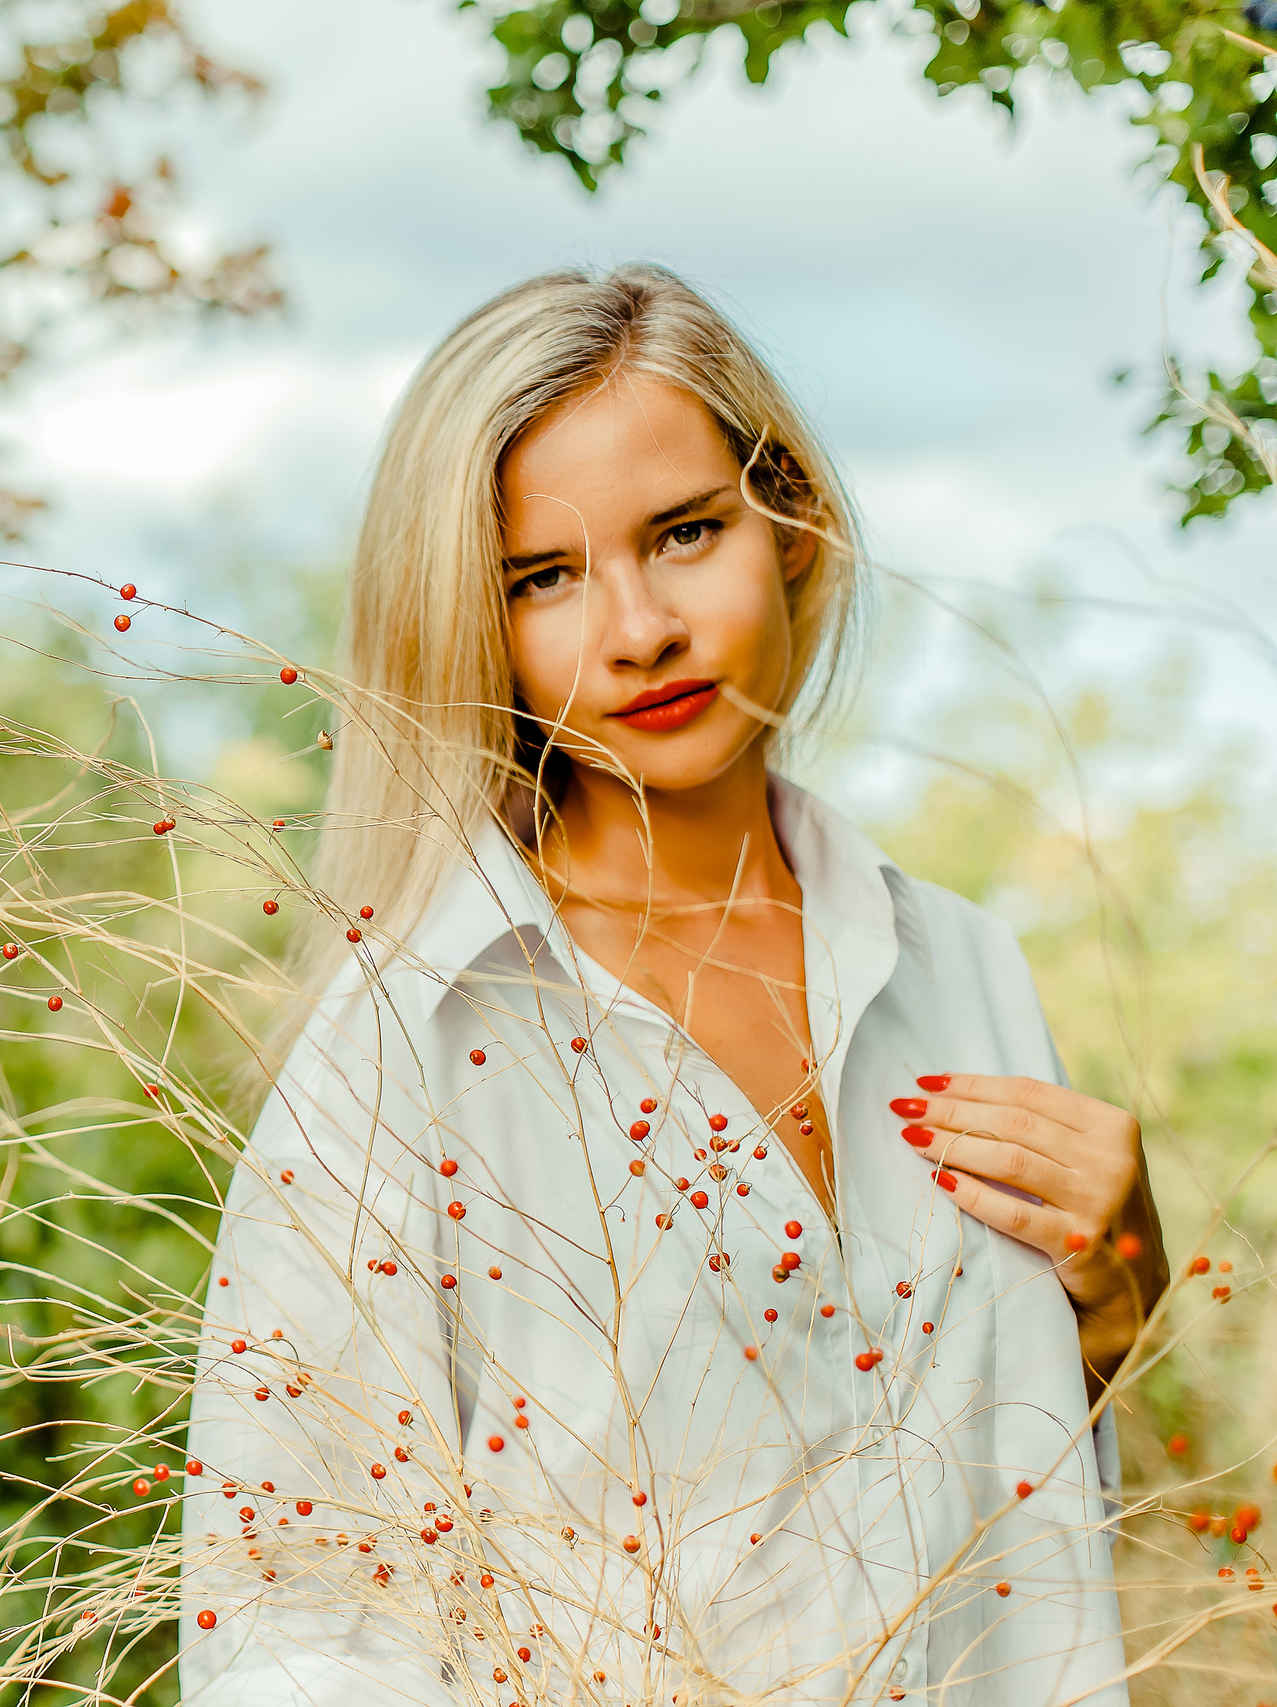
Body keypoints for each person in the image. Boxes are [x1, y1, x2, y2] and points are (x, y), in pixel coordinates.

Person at [177, 265, 1165, 1705]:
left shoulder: (965, 966)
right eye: (545, 576)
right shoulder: (406, 1044)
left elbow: (1018, 1539)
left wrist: (1114, 1310)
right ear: (473, 625)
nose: (639, 629)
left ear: (793, 520)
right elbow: (296, 1632)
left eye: (685, 532)